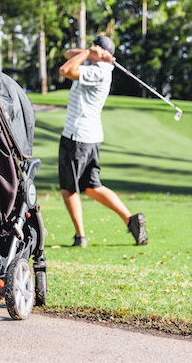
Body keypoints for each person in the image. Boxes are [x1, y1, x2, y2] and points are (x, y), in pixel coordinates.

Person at [58, 35, 148, 247]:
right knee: (91, 186)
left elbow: (65, 70)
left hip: (76, 137)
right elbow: (68, 54)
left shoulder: (98, 71)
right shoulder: (95, 63)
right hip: (91, 137)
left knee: (68, 188)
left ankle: (80, 236)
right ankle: (131, 220)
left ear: (101, 52)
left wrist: (89, 54)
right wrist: (89, 52)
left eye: (94, 47)